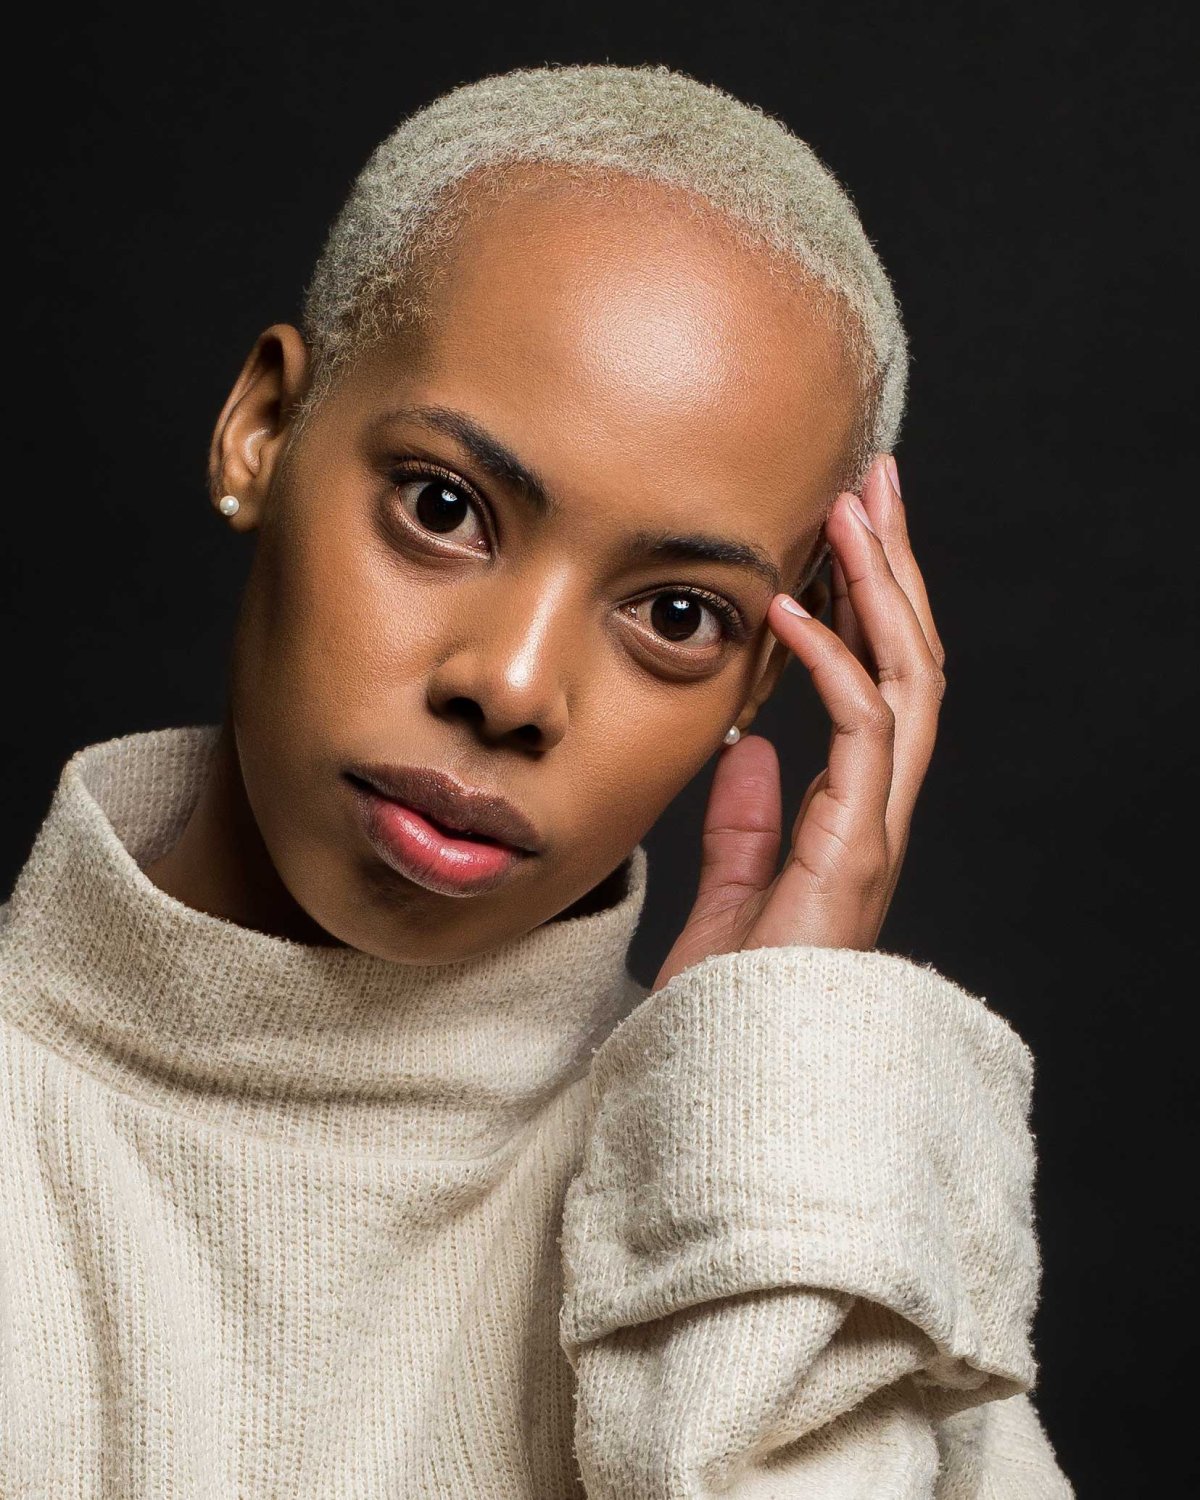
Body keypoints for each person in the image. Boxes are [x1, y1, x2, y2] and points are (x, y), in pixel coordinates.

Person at [0, 63, 1073, 1497]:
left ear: (766, 679)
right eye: (443, 507)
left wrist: (754, 1125)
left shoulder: (818, 1258)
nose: (510, 686)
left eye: (678, 614)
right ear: (261, 431)